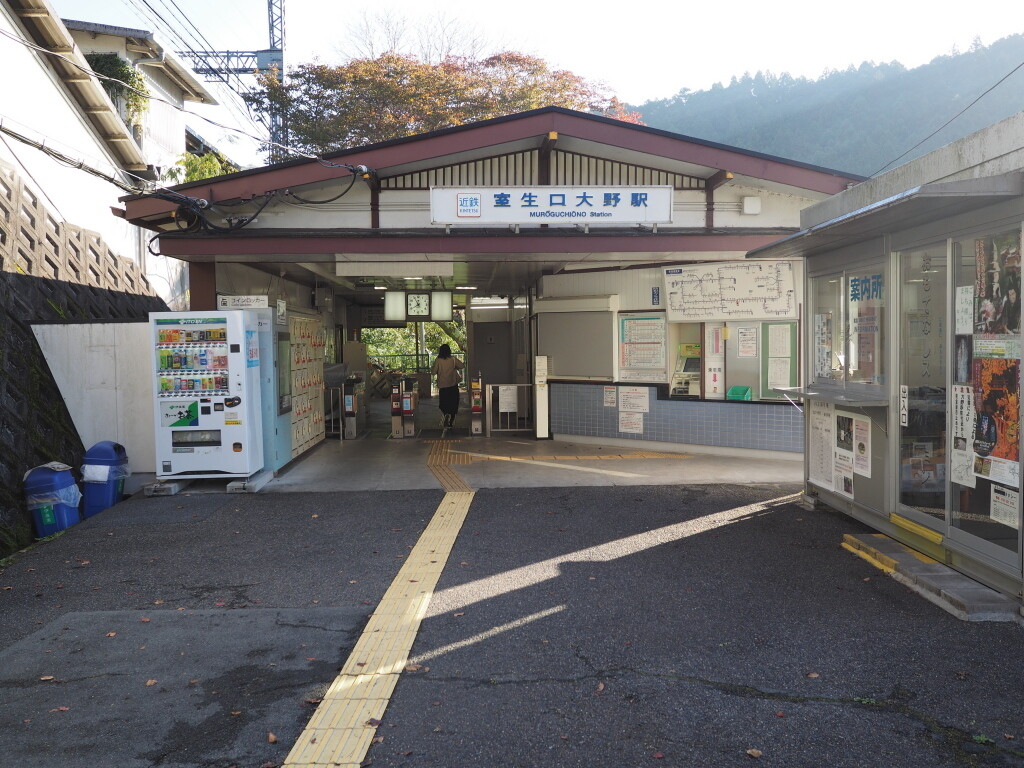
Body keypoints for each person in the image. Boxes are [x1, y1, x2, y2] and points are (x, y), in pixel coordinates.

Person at [431, 344, 463, 428]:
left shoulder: (438, 360)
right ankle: (451, 420)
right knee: (453, 403)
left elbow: (433, 372)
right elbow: (462, 365)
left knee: (444, 403)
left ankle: (446, 414)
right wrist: (455, 367)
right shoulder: (453, 359)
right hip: (453, 385)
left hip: (443, 386)